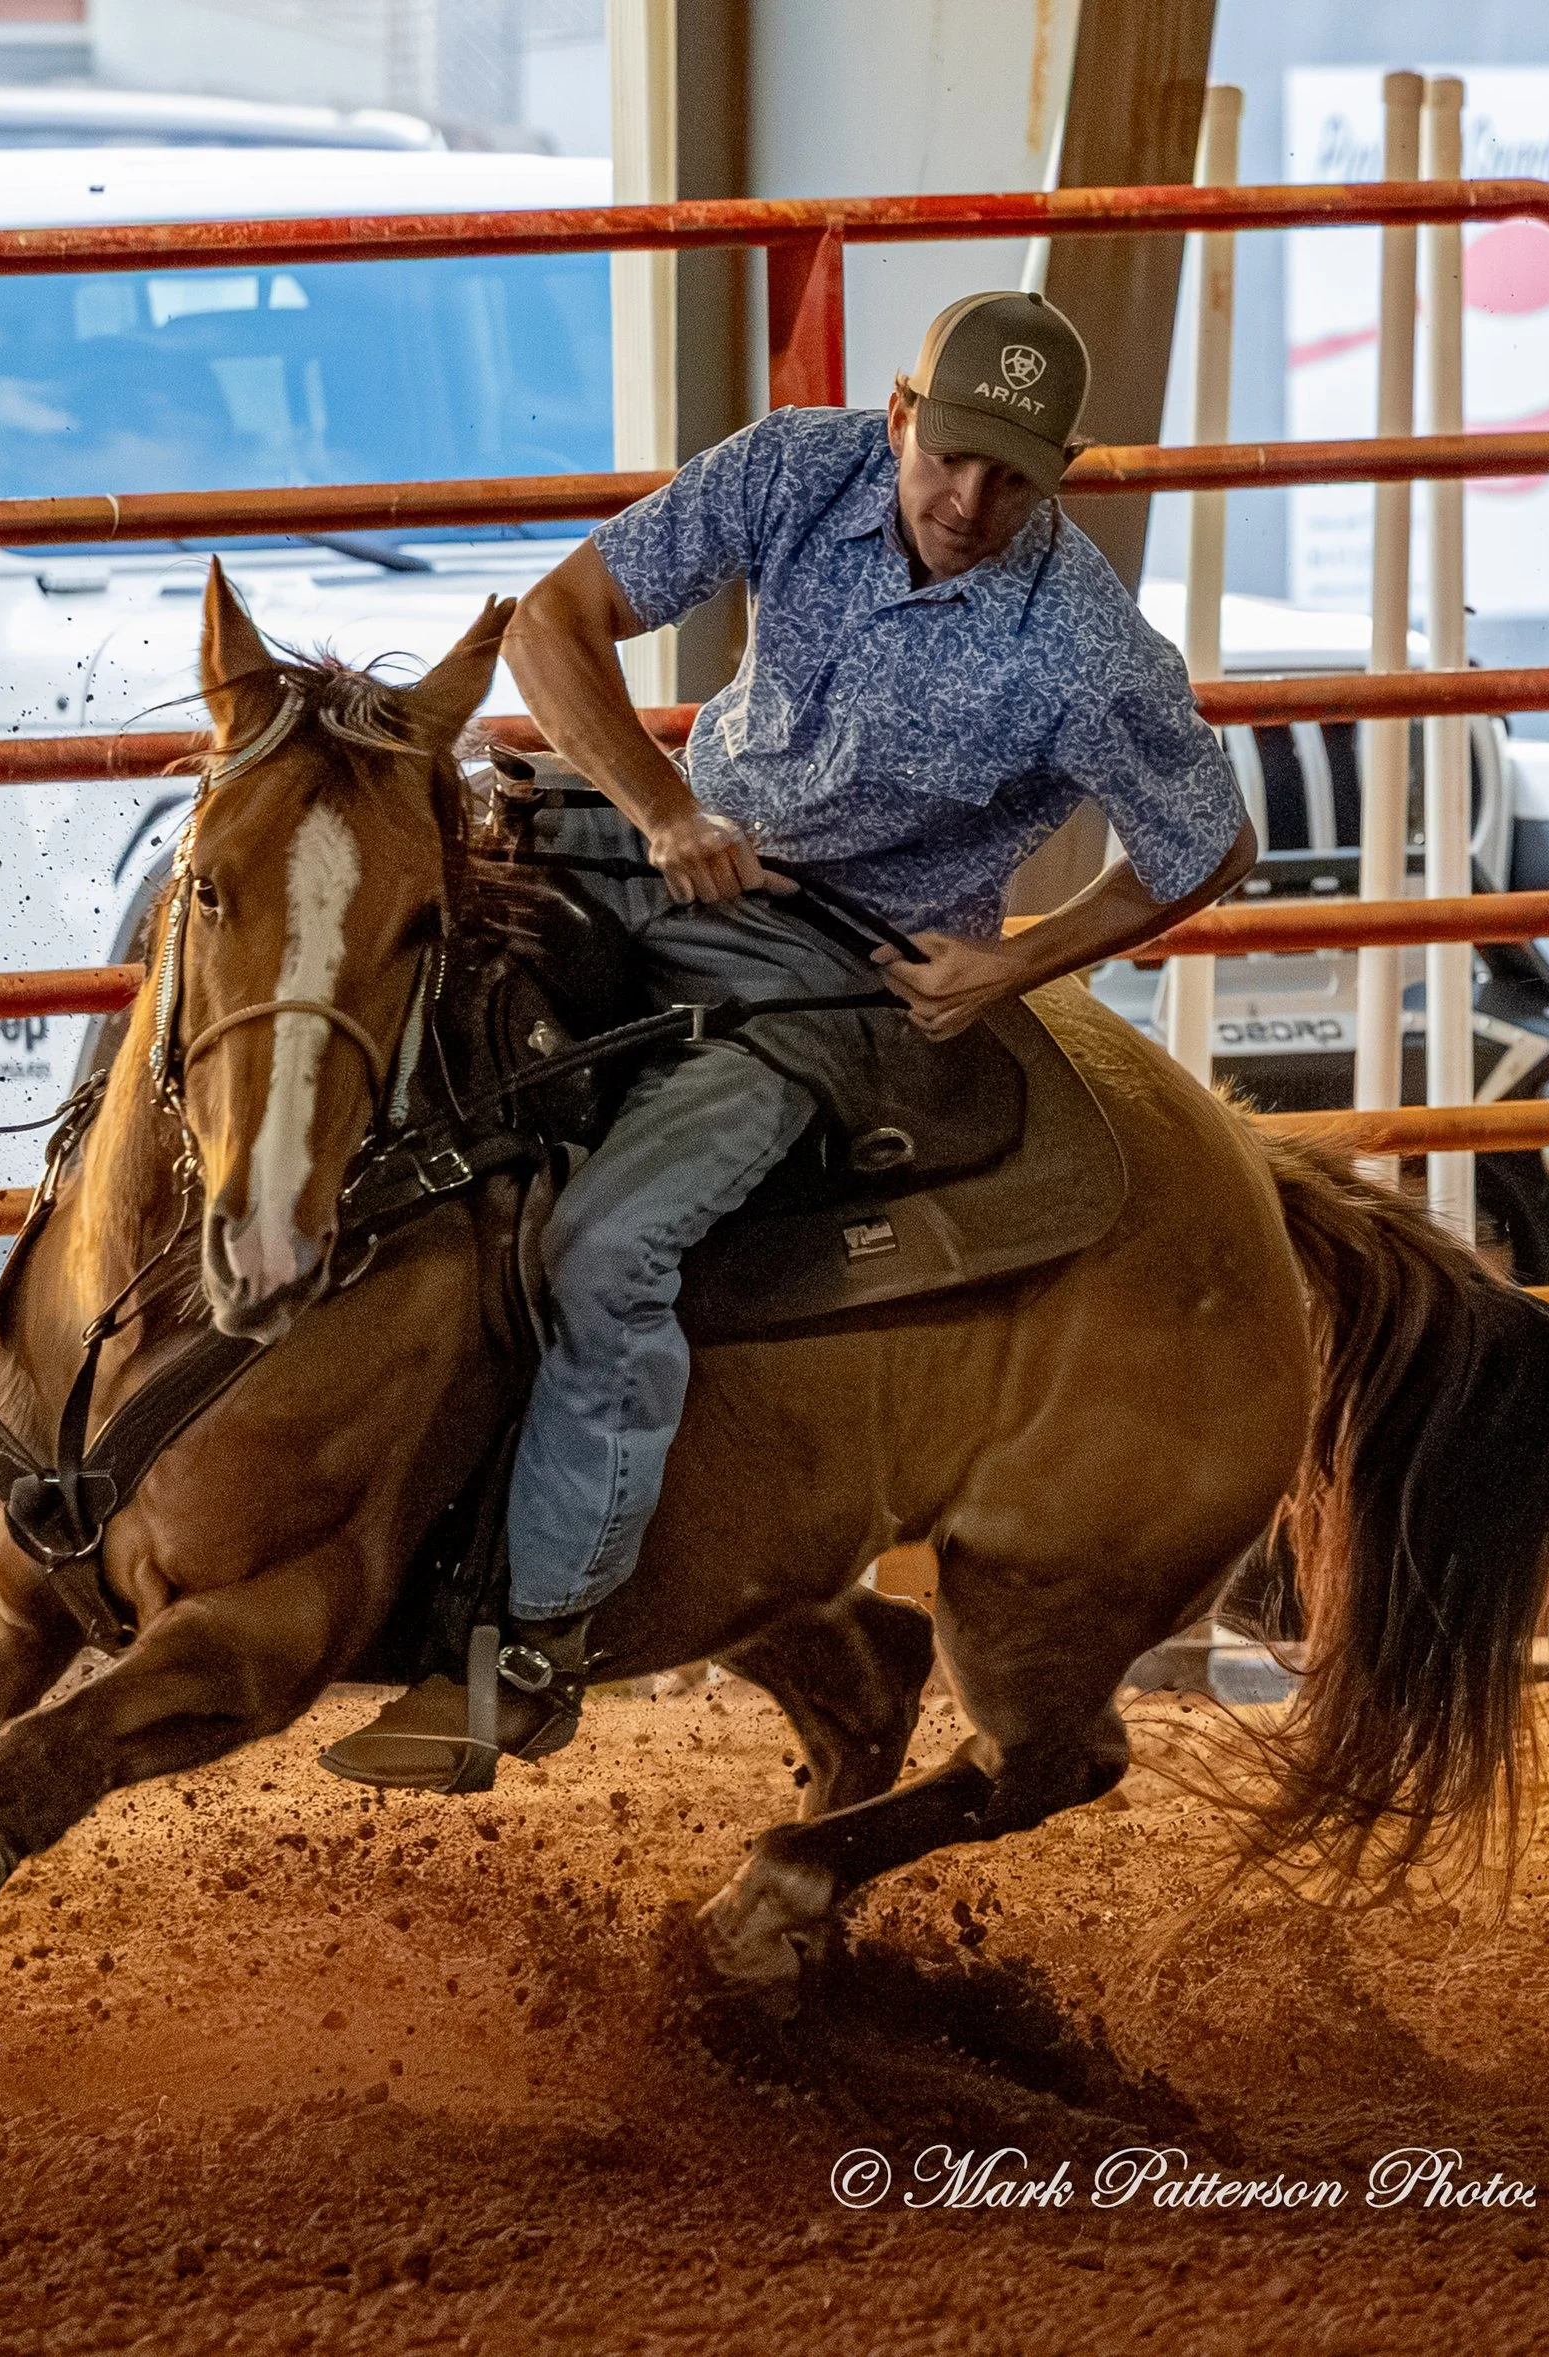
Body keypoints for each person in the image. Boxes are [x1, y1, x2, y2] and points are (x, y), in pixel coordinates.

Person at [321, 289, 1257, 1793]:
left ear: (1061, 472)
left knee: (612, 1243)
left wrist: (1014, 965)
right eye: (949, 456)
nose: (971, 500)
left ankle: (534, 1644)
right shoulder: (793, 468)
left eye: (1015, 476)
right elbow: (555, 622)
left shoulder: (1083, 646)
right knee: (381, 974)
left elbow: (1206, 838)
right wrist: (661, 805)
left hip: (834, 966)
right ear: (899, 418)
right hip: (671, 843)